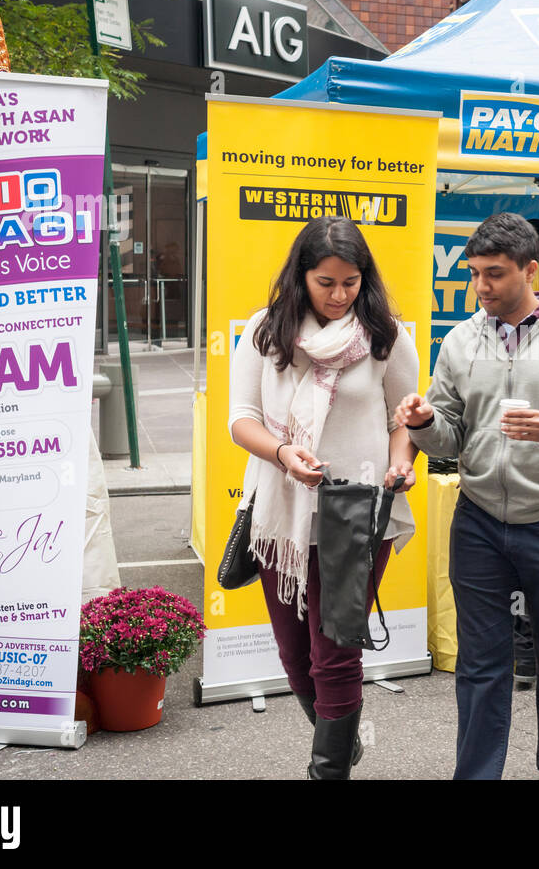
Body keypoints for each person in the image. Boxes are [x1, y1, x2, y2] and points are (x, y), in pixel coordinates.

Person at [396, 212, 539, 780]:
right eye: (476, 273)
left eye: (495, 274)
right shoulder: (459, 340)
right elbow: (451, 434)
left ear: (531, 270)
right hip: (478, 520)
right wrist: (426, 423)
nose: (481, 287)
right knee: (480, 663)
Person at [228, 215, 418, 780]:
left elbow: (401, 418)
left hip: (357, 515)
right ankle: (340, 737)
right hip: (280, 515)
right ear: (301, 277)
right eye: (326, 283)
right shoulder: (266, 331)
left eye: (351, 283)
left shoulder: (386, 334)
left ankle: (328, 769)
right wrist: (285, 455)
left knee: (334, 654)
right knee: (295, 658)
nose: (340, 295)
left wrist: (401, 460)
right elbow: (241, 421)